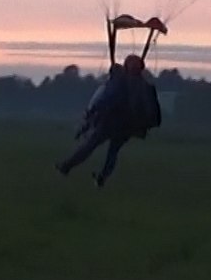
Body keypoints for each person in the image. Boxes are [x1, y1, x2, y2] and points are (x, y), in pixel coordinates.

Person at [57, 53, 162, 187]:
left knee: (91, 145)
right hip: (127, 127)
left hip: (111, 122)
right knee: (112, 152)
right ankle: (102, 177)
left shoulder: (120, 82)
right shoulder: (143, 85)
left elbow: (107, 98)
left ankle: (66, 167)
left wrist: (93, 113)